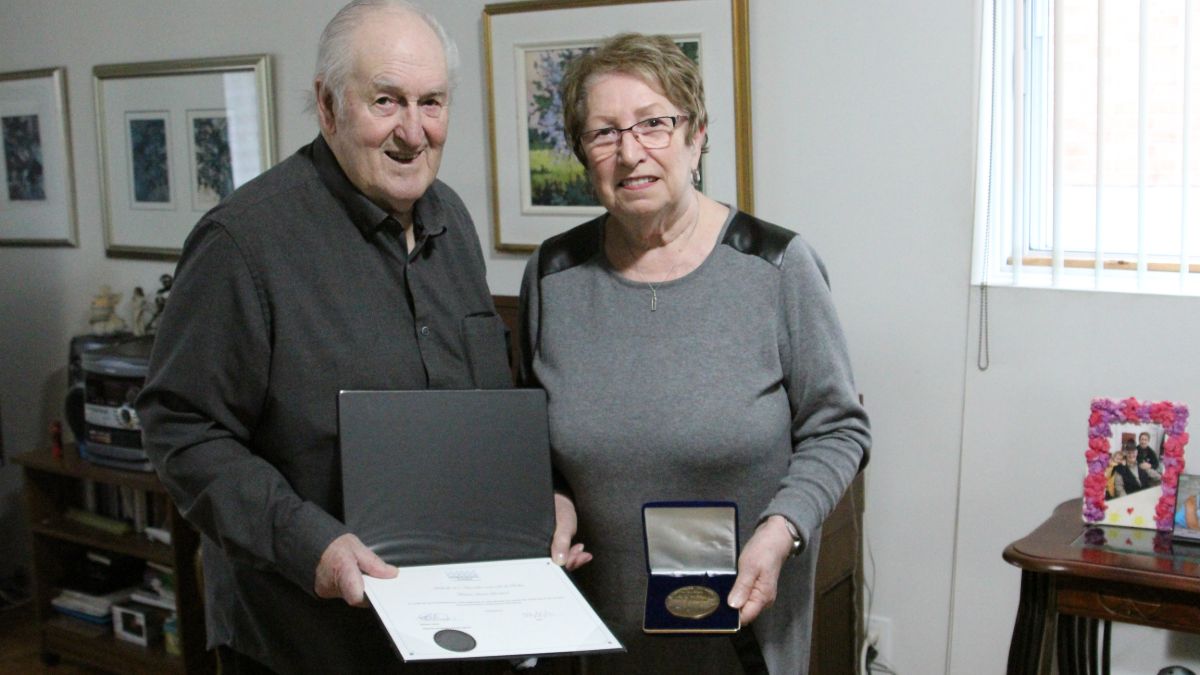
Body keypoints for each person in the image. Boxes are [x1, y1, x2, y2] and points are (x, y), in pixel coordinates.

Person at [137, 2, 512, 672]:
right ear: (329, 105)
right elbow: (181, 428)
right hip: (305, 640)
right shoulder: (243, 242)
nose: (413, 131)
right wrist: (310, 543)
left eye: (432, 102)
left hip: (449, 627)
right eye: (386, 101)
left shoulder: (451, 219)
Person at [519, 33, 871, 674]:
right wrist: (556, 502)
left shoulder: (777, 267)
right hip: (594, 640)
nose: (631, 153)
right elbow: (533, 444)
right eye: (604, 134)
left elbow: (838, 428)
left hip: (740, 635)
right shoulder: (552, 277)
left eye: (654, 124)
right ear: (582, 154)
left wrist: (782, 530)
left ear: (697, 135)